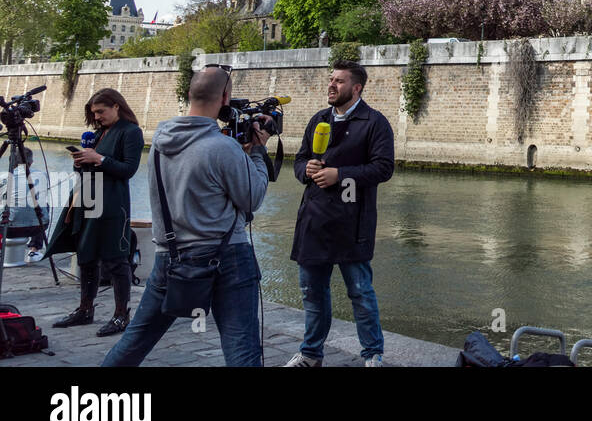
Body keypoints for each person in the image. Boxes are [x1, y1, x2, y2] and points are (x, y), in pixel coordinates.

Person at [102, 66, 273, 367]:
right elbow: (253, 198)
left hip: (170, 256)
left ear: (189, 94)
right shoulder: (223, 147)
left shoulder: (159, 143)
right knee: (241, 349)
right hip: (227, 256)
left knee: (135, 342)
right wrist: (257, 154)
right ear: (225, 98)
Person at [284, 60, 395, 367]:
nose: (331, 85)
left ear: (356, 88)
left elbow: (384, 168)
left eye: (339, 81)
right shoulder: (318, 119)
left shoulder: (374, 122)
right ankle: (310, 353)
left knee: (360, 293)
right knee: (312, 294)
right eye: (331, 79)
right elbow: (299, 161)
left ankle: (372, 355)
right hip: (314, 221)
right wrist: (304, 169)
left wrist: (340, 174)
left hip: (352, 223)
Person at [47, 88, 144, 337]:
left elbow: (129, 169)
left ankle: (122, 315)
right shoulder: (99, 133)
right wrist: (80, 161)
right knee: (86, 255)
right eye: (94, 113)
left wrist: (98, 158)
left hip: (112, 203)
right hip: (87, 198)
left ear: (116, 107)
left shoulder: (131, 132)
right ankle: (85, 310)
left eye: (101, 111)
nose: (97, 116)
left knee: (116, 259)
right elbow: (92, 164)